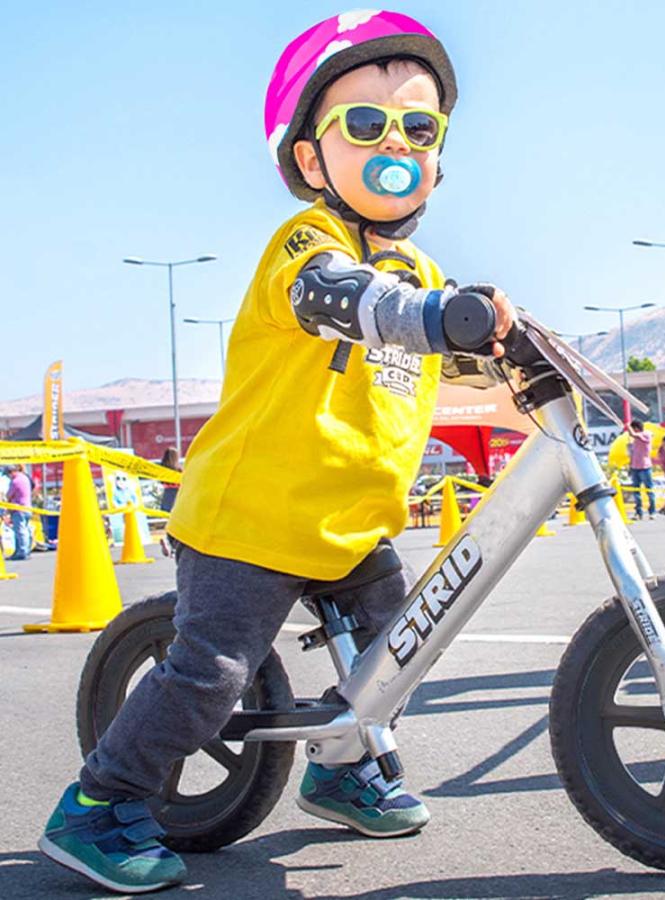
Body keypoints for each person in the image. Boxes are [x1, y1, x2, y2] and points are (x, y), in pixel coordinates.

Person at [40, 10, 516, 894]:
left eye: (420, 128)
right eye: (366, 123)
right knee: (211, 675)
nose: (397, 142)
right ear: (311, 159)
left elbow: (455, 350)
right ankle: (98, 805)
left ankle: (342, 766)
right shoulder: (308, 246)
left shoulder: (421, 275)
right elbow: (342, 298)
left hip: (348, 525)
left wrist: (510, 348)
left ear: (439, 156)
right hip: (251, 518)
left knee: (399, 653)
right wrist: (440, 316)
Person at [626, 420, 655, 519]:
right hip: (635, 467)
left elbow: (633, 434)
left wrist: (628, 426)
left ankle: (652, 511)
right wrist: (630, 466)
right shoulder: (635, 440)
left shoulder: (646, 435)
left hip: (645, 467)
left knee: (649, 490)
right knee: (636, 491)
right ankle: (639, 512)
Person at [4, 464, 32, 560]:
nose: (8, 477)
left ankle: (22, 552)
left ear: (11, 472)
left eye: (8, 474)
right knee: (26, 530)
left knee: (20, 531)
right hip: (27, 508)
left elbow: (9, 495)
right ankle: (25, 551)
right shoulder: (25, 478)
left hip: (18, 509)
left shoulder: (15, 481)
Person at [157, 447, 181, 557]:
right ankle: (174, 547)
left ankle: (168, 542)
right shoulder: (178, 470)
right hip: (177, 495)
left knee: (169, 521)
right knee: (178, 523)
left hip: (167, 494)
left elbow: (160, 481)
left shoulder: (163, 470)